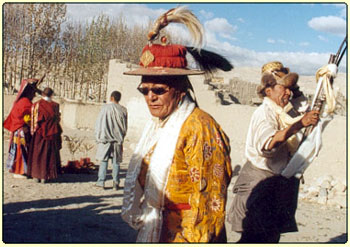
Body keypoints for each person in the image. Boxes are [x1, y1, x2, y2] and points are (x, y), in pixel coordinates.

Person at [121, 19, 233, 243]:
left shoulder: (200, 128)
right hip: (159, 229)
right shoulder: (159, 125)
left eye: (159, 90)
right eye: (145, 90)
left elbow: (209, 199)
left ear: (180, 91)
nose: (150, 97)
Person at [227, 61, 320, 243]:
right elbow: (270, 142)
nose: (288, 92)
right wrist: (300, 124)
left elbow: (302, 104)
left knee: (270, 236)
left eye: (289, 89)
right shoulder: (264, 113)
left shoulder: (283, 111)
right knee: (254, 237)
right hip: (259, 182)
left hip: (275, 182)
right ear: (268, 91)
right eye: (283, 88)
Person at [4, 78, 40, 178]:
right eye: (33, 93)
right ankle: (19, 171)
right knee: (21, 151)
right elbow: (28, 116)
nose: (34, 95)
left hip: (19, 129)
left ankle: (20, 170)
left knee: (20, 151)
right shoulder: (25, 102)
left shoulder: (22, 101)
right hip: (21, 130)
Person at [27, 87, 63, 183]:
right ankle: (45, 176)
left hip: (39, 133)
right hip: (51, 133)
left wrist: (33, 131)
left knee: (37, 154)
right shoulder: (55, 105)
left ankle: (36, 175)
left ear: (42, 94)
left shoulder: (36, 105)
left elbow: (34, 120)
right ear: (52, 95)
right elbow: (57, 119)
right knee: (48, 155)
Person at [94, 90, 128, 190]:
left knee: (104, 160)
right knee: (116, 162)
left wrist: (98, 136)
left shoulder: (105, 109)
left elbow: (99, 123)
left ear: (111, 98)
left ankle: (101, 182)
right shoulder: (123, 110)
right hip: (117, 139)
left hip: (105, 138)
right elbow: (125, 126)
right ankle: (116, 183)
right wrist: (121, 136)